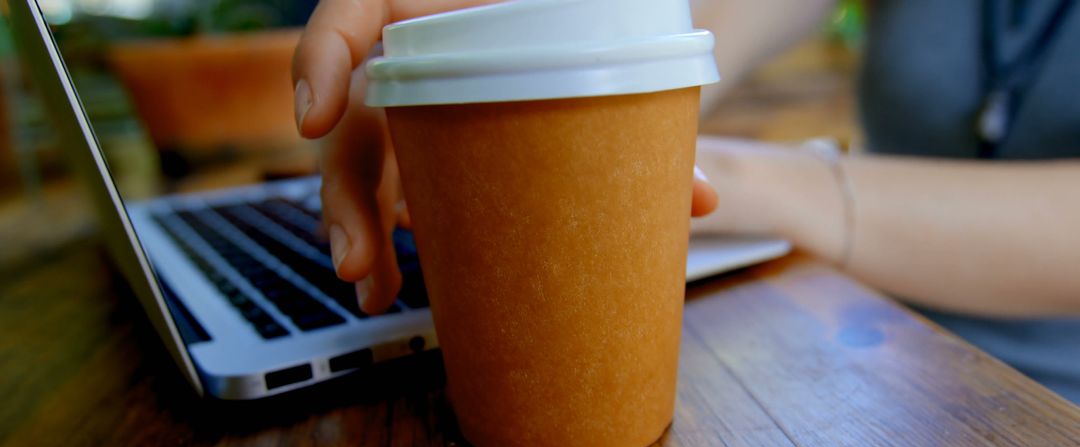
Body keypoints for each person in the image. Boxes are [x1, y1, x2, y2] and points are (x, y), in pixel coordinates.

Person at [291, 0, 1080, 403]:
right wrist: (511, 34)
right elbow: (691, 24)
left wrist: (760, 181)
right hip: (875, 349)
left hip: (1045, 418)